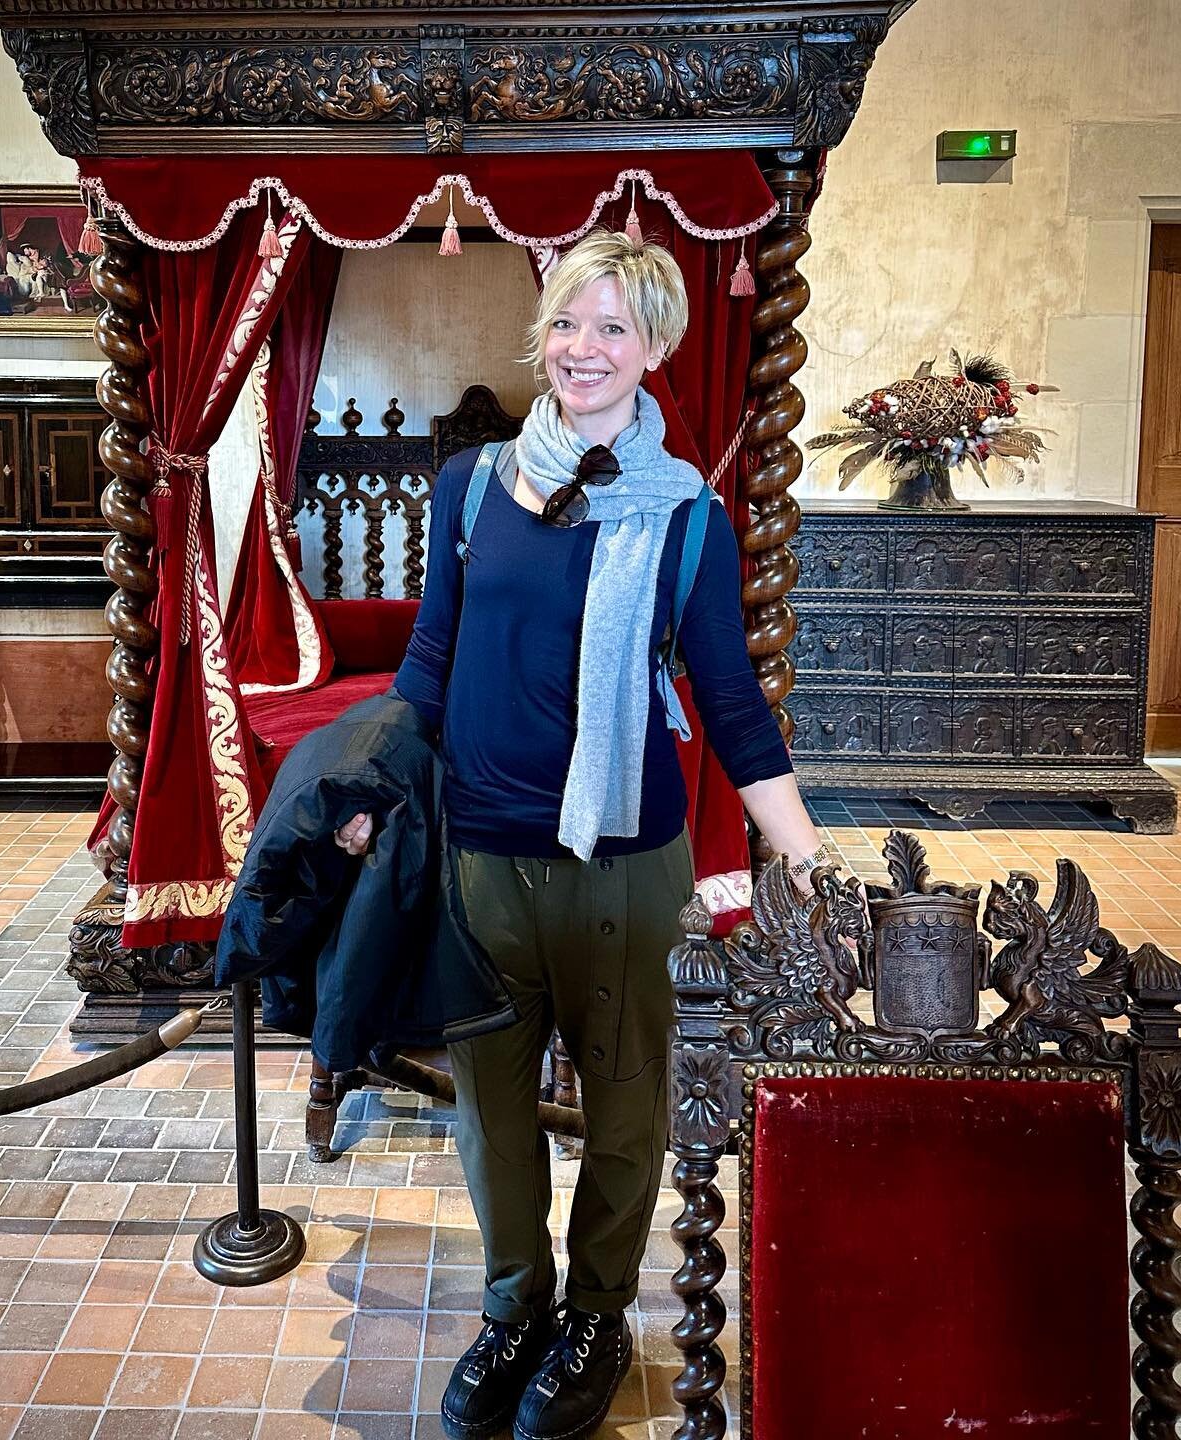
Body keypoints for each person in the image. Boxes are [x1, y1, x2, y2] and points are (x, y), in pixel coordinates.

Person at [335, 229, 832, 1440]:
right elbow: (432, 659)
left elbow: (731, 702)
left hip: (624, 862)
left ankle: (600, 1314)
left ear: (655, 347)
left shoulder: (689, 516)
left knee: (622, 1109)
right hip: (483, 857)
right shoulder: (473, 485)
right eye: (567, 322)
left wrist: (805, 855)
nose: (583, 349)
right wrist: (372, 789)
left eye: (613, 327)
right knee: (490, 1108)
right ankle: (516, 1309)